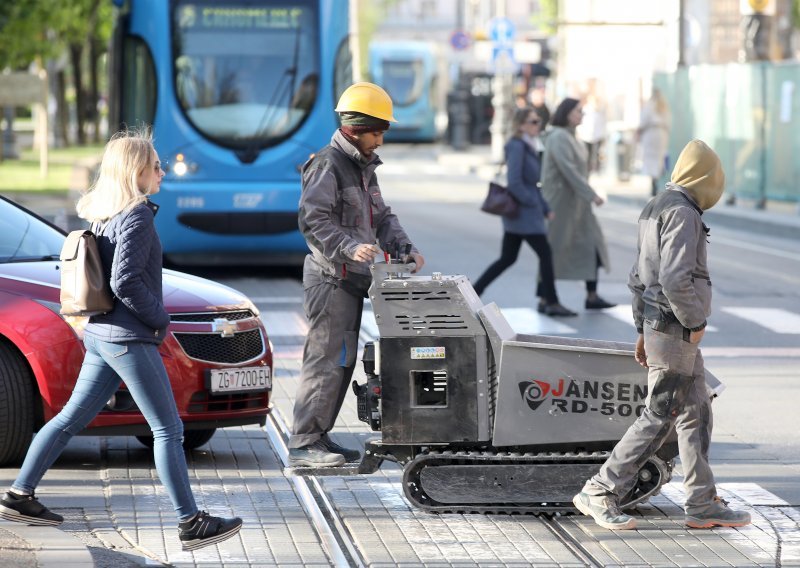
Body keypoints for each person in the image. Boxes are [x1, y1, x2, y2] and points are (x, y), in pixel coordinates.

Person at [0, 130, 243, 552]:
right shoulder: (137, 216)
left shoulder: (105, 214)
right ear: (137, 172)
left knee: (69, 420)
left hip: (101, 335)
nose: (162, 172)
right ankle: (191, 522)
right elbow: (125, 280)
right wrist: (159, 319)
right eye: (155, 166)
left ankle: (20, 495)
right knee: (168, 429)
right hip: (128, 338)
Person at [573, 139, 751, 531]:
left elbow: (639, 277)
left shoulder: (656, 205)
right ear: (705, 178)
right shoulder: (684, 212)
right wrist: (694, 322)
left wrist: (641, 328)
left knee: (695, 413)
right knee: (660, 414)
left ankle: (702, 504)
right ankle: (599, 490)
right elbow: (672, 277)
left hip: (659, 326)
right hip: (674, 329)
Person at [289, 82, 425, 468]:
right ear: (355, 128)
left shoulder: (364, 168)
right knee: (325, 359)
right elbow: (312, 220)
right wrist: (349, 247)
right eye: (377, 132)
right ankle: (303, 444)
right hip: (330, 279)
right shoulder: (327, 165)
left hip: (351, 281)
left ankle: (319, 436)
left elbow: (381, 216)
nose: (380, 140)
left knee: (342, 362)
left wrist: (405, 248)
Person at [473, 108, 575, 317]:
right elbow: (516, 183)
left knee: (508, 258)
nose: (538, 125)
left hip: (524, 213)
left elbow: (533, 184)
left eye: (539, 121)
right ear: (521, 125)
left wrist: (545, 207)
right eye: (534, 121)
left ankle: (474, 292)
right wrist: (533, 205)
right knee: (545, 254)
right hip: (523, 214)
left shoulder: (528, 145)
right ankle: (552, 302)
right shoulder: (517, 146)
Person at [540, 97, 615, 311]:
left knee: (592, 245)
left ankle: (592, 295)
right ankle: (545, 298)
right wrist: (592, 194)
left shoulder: (574, 138)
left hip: (578, 204)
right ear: (566, 113)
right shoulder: (559, 137)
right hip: (561, 204)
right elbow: (569, 171)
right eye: (577, 111)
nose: (581, 115)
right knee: (554, 250)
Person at [637, 88, 671, 196]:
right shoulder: (664, 107)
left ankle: (654, 183)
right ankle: (656, 181)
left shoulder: (649, 105)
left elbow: (643, 121)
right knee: (658, 159)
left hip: (651, 134)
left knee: (651, 159)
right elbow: (668, 123)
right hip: (662, 135)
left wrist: (639, 132)